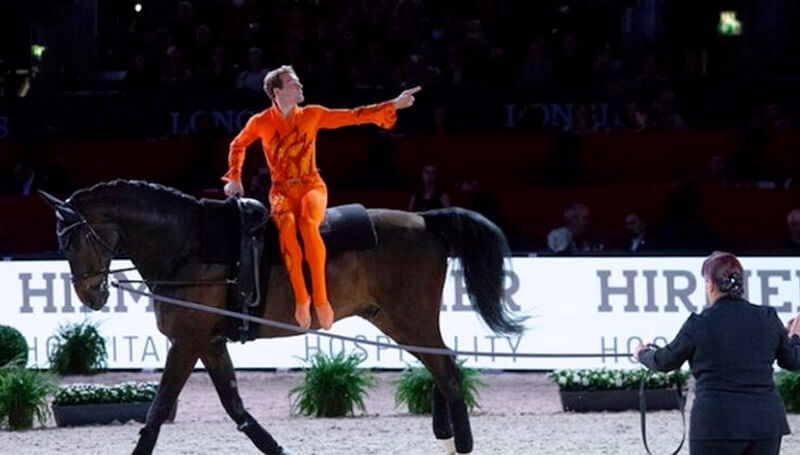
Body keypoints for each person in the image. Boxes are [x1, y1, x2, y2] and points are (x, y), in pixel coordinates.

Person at [222, 65, 420, 330]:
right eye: (293, 83)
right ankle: (301, 300)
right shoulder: (261, 122)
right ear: (277, 92)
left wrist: (393, 104)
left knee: (307, 224)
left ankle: (321, 299)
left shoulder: (312, 114)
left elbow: (354, 115)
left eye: (299, 82)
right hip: (281, 192)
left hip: (311, 186)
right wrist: (234, 176)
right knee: (287, 231)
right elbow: (238, 144)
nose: (300, 86)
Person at [634, 251, 800, 455]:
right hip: (765, 424)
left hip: (715, 424)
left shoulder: (699, 324)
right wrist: (796, 337)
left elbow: (664, 361)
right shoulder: (768, 317)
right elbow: (793, 361)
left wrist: (642, 354)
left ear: (709, 284)